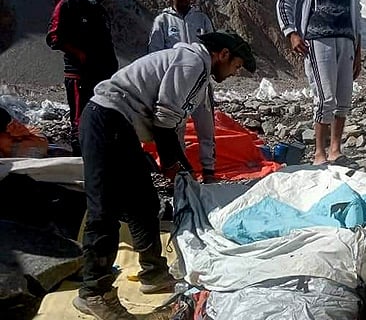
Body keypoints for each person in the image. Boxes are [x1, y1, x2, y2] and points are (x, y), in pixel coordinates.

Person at [73, 32, 255, 320]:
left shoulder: (194, 65)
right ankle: (94, 292)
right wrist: (173, 165)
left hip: (120, 125)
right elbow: (165, 118)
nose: (234, 73)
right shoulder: (194, 64)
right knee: (103, 210)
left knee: (143, 200)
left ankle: (153, 273)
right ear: (222, 54)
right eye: (236, 66)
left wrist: (179, 166)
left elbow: (167, 121)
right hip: (106, 119)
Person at [276, 0, 362, 165]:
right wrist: (291, 32)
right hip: (319, 38)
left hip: (346, 40)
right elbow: (286, 1)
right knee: (325, 97)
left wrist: (358, 49)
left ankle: (336, 150)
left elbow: (356, 12)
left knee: (343, 97)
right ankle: (319, 154)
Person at [147, 0, 217, 183]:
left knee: (206, 127)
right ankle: (182, 173)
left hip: (201, 84)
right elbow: (155, 52)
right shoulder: (163, 21)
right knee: (176, 129)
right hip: (175, 86)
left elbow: (212, 48)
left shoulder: (202, 19)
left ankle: (209, 170)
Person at [46, 0, 118, 156]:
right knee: (80, 119)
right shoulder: (68, 5)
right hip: (80, 75)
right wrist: (80, 54)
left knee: (102, 117)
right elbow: (53, 37)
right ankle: (80, 161)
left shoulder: (99, 10)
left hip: (103, 75)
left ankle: (99, 158)